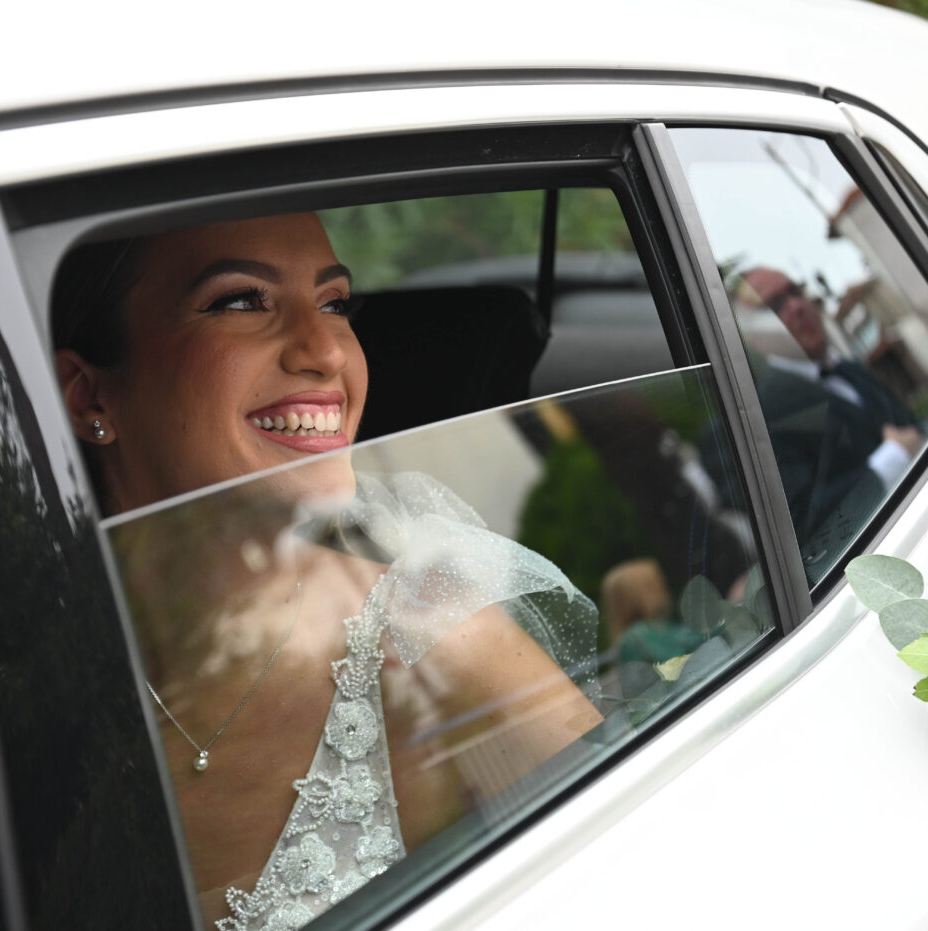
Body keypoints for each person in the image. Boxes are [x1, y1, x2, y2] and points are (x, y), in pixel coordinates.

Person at [52, 213, 602, 929]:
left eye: (335, 303)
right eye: (242, 300)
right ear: (88, 395)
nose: (327, 350)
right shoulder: (9, 671)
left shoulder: (439, 644)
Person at [734, 266, 923, 552]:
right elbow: (806, 525)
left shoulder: (850, 368)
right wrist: (893, 457)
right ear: (755, 337)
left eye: (795, 291)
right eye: (775, 305)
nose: (797, 306)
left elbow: (911, 426)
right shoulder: (761, 417)